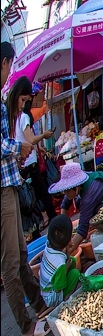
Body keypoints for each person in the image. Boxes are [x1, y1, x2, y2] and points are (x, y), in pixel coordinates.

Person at [0, 43, 49, 336]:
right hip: (2, 189)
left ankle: (40, 306)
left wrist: (14, 154)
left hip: (8, 184)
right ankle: (25, 326)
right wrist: (19, 147)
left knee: (18, 253)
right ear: (4, 63)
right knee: (10, 262)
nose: (8, 73)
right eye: (9, 66)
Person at [49, 164, 103, 255]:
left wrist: (65, 254)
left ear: (76, 188)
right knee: (79, 204)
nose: (65, 193)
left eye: (67, 190)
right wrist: (63, 228)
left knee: (95, 212)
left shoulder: (88, 196)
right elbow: (65, 204)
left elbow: (82, 229)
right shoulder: (79, 183)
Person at [8, 77, 55, 227]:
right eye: (23, 100)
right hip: (29, 162)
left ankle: (42, 222)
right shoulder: (23, 117)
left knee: (33, 196)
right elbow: (29, 139)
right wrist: (44, 135)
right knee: (40, 195)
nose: (23, 105)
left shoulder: (15, 117)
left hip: (24, 162)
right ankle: (51, 220)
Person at [39, 215, 80, 309]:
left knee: (72, 260)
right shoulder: (60, 264)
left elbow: (67, 257)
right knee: (75, 273)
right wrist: (66, 268)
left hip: (46, 290)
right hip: (52, 296)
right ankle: (65, 302)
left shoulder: (49, 245)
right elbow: (57, 288)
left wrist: (68, 254)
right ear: (69, 240)